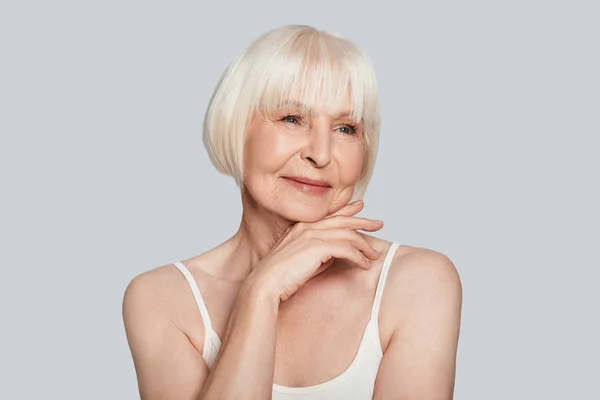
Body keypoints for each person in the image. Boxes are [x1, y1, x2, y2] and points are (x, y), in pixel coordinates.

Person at [122, 24, 462, 400]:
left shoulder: (417, 282)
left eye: (346, 128)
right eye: (291, 119)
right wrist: (261, 291)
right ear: (236, 128)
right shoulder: (162, 299)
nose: (320, 153)